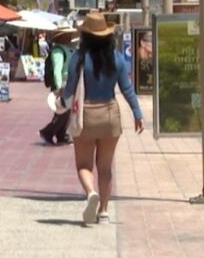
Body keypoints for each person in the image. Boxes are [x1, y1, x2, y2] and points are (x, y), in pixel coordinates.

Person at [61, 12, 144, 226]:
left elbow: (70, 89)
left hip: (85, 115)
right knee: (105, 167)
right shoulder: (116, 58)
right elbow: (127, 89)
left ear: (85, 36)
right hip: (109, 114)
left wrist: (60, 99)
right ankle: (105, 212)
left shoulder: (78, 57)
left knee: (83, 165)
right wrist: (137, 113)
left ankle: (91, 193)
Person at [38, 21, 79, 145]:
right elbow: (57, 70)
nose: (70, 37)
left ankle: (61, 134)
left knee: (67, 112)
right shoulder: (58, 51)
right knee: (61, 111)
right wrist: (59, 87)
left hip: (70, 84)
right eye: (68, 34)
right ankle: (48, 132)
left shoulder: (68, 49)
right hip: (62, 85)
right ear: (63, 36)